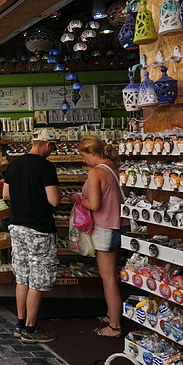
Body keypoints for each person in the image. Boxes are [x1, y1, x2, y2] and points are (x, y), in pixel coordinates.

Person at [3, 128, 61, 344]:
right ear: (47, 144)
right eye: (53, 147)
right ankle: (31, 328)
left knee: (22, 276)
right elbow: (54, 200)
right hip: (39, 228)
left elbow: (6, 195)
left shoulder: (14, 164)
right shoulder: (46, 167)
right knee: (38, 278)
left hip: (16, 226)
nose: (53, 152)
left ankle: (20, 324)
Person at [72, 136, 126, 338]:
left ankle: (115, 326)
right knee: (113, 274)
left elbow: (94, 204)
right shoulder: (116, 168)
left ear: (92, 153)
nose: (83, 160)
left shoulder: (96, 172)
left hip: (105, 227)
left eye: (83, 155)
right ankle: (111, 314)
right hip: (121, 225)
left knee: (109, 278)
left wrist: (77, 199)